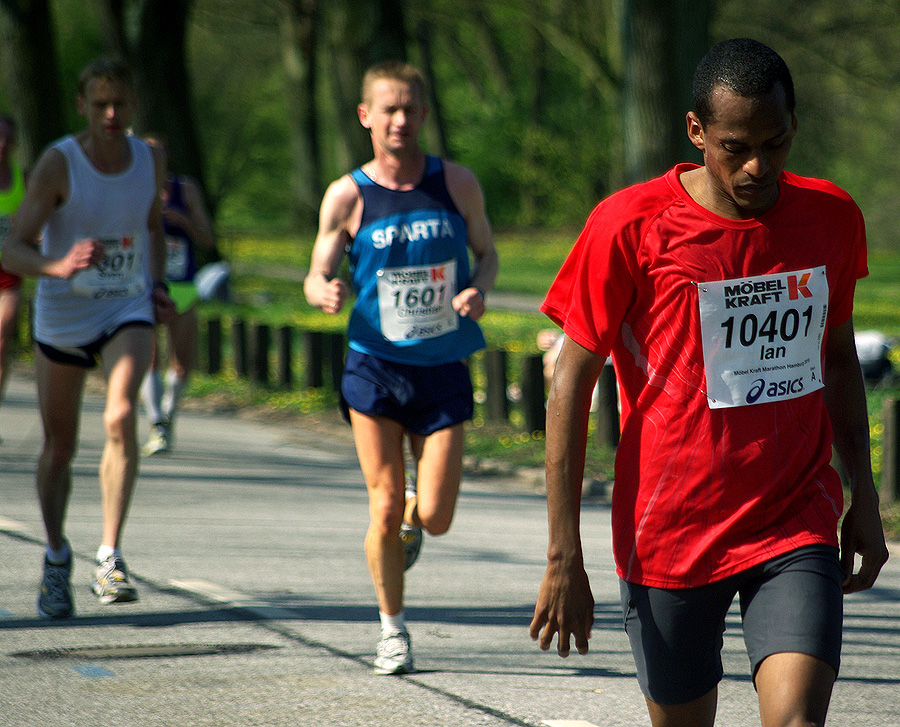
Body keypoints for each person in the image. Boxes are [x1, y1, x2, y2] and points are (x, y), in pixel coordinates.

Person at [529, 38, 889, 727]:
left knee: (796, 721)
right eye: (735, 146)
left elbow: (838, 359)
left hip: (793, 518)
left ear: (794, 125)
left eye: (775, 143)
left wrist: (862, 496)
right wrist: (562, 556)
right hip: (669, 530)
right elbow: (570, 383)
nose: (758, 166)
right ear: (696, 132)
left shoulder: (830, 218)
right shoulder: (630, 226)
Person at [304, 60, 498, 675]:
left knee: (434, 517)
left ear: (424, 114)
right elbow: (317, 270)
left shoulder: (456, 183)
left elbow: (486, 254)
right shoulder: (348, 194)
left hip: (442, 366)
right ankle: (392, 628)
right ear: (366, 116)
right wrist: (322, 290)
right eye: (388, 109)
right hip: (375, 365)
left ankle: (415, 513)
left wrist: (479, 291)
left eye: (411, 108)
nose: (401, 120)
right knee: (382, 507)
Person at [3, 57, 174, 618]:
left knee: (122, 414)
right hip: (64, 314)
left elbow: (150, 222)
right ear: (82, 104)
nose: (110, 113)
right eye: (99, 103)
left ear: (132, 104)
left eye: (120, 102)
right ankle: (56, 557)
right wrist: (57, 266)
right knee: (61, 447)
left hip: (126, 304)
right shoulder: (59, 163)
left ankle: (110, 554)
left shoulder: (149, 158)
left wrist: (158, 283)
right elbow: (13, 247)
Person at [140, 135, 216, 455]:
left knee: (182, 362)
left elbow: (208, 239)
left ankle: (168, 417)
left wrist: (183, 220)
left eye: (159, 154)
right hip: (146, 283)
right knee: (150, 358)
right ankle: (157, 422)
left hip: (183, 285)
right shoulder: (131, 188)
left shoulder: (186, 190)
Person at [0, 116, 26, 435]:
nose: (2, 144)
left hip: (9, 272)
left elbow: (41, 227)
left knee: (3, 335)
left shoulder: (25, 180)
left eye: (8, 138)